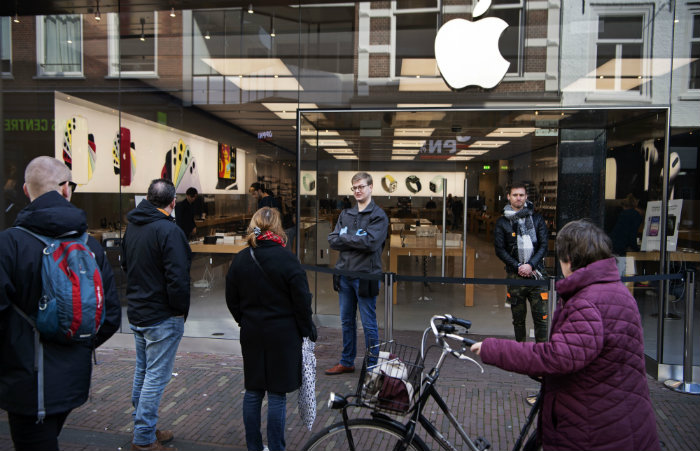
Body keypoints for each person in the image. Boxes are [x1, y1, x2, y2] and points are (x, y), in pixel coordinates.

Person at [471, 220, 660, 451]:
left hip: (594, 427)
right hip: (623, 415)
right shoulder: (616, 290)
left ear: (568, 259)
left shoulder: (586, 302)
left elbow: (557, 357)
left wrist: (493, 349)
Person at [0, 156, 121, 451]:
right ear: (66, 189)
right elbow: (110, 316)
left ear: (27, 192)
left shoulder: (9, 244)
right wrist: (76, 343)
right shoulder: (89, 246)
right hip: (73, 379)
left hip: (26, 383)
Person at [225, 207, 316, 451]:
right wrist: (307, 329)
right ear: (278, 227)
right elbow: (302, 301)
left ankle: (254, 446)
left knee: (253, 391)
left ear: (254, 225)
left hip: (252, 332)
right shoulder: (288, 259)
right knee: (277, 394)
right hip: (283, 335)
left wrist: (244, 320)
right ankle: (277, 447)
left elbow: (231, 298)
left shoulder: (242, 258)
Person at [121, 178, 192, 451]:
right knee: (155, 377)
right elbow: (178, 277)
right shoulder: (168, 231)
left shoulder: (133, 227)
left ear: (149, 198)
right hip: (162, 315)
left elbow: (126, 265)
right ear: (173, 203)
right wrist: (178, 310)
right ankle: (143, 438)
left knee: (143, 371)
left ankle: (145, 427)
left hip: (139, 311)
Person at [325, 172, 389, 375]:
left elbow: (371, 243)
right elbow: (333, 239)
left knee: (369, 324)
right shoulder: (346, 215)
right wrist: (355, 238)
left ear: (371, 187)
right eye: (354, 188)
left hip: (366, 276)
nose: (357, 191)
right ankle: (347, 361)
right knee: (346, 321)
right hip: (344, 275)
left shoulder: (378, 216)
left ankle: (372, 365)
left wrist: (346, 237)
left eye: (361, 186)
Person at [494, 182, 549, 343]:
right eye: (515, 195)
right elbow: (500, 249)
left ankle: (542, 352)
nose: (518, 198)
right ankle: (521, 352)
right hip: (515, 275)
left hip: (537, 275)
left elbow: (544, 245)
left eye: (521, 195)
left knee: (542, 318)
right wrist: (518, 266)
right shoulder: (502, 222)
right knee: (518, 319)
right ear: (509, 197)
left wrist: (530, 264)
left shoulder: (538, 219)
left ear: (526, 197)